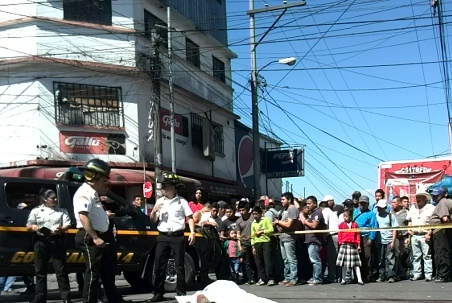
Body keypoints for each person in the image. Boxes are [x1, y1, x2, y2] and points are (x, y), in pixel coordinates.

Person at [73, 159, 129, 303]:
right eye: (104, 180)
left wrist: (105, 216)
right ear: (95, 178)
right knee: (93, 274)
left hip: (102, 236)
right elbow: (83, 215)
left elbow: (93, 214)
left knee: (108, 272)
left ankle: (115, 300)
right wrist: (95, 237)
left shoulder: (93, 193)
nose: (106, 184)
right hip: (91, 237)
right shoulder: (84, 193)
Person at [148, 172, 196, 302]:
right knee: (159, 265)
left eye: (165, 185)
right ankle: (158, 293)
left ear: (173, 187)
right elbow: (153, 220)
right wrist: (154, 211)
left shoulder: (182, 201)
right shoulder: (160, 201)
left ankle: (181, 292)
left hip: (177, 236)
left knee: (179, 265)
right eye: (162, 185)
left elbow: (190, 218)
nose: (162, 188)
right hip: (163, 236)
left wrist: (192, 232)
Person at [26, 188, 72, 303]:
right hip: (41, 241)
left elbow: (67, 224)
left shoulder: (61, 210)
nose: (55, 199)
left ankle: (66, 298)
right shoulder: (36, 211)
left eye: (55, 197)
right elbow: (29, 225)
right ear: (45, 199)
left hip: (56, 240)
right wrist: (34, 227)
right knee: (40, 271)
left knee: (61, 271)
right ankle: (40, 298)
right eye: (52, 198)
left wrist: (60, 229)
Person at [407, 189, 435, 281]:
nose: (418, 199)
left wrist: (429, 233)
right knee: (416, 256)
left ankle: (428, 274)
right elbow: (409, 220)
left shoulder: (431, 208)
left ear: (425, 198)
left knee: (427, 255)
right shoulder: (413, 207)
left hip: (425, 234)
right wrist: (409, 229)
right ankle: (417, 273)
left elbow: (433, 222)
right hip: (415, 235)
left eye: (420, 197)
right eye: (417, 197)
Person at [274, 192, 299, 287]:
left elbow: (288, 224)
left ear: (289, 199)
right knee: (285, 260)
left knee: (291, 259)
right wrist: (278, 223)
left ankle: (294, 279)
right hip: (282, 237)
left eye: (283, 199)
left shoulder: (293, 209)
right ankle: (287, 277)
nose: (281, 201)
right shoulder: (284, 210)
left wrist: (278, 222)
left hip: (289, 238)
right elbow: (280, 222)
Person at [428, 187, 452, 282]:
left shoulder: (442, 202)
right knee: (444, 251)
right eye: (433, 195)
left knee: (441, 252)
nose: (434, 197)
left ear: (444, 194)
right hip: (441, 230)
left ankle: (444, 275)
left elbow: (444, 218)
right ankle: (446, 274)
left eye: (436, 195)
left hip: (440, 230)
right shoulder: (446, 202)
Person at [301, 195, 326, 285]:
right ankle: (315, 276)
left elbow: (314, 226)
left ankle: (318, 278)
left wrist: (305, 221)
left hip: (314, 240)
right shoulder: (312, 213)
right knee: (312, 260)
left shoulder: (317, 213)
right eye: (306, 204)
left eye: (309, 203)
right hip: (309, 239)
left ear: (315, 204)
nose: (307, 205)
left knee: (315, 260)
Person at [353, 195, 377, 282]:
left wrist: (371, 238)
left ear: (367, 204)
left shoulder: (371, 214)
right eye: (361, 203)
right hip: (356, 237)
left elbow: (374, 227)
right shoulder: (355, 212)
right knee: (357, 257)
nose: (362, 205)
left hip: (366, 237)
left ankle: (367, 275)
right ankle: (357, 276)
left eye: (364, 203)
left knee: (367, 256)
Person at [337, 209, 364, 285]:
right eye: (344, 216)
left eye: (346, 216)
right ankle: (343, 279)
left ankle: (359, 279)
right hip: (344, 245)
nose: (345, 218)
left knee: (356, 264)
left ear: (350, 217)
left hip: (353, 245)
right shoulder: (341, 225)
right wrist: (340, 242)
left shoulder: (355, 224)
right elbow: (340, 234)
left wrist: (358, 245)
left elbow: (358, 235)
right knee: (344, 264)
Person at [375, 199, 399, 283]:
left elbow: (394, 229)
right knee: (380, 259)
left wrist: (393, 241)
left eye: (380, 207)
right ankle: (381, 276)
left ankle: (391, 276)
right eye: (378, 207)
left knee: (390, 259)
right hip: (379, 241)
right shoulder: (376, 216)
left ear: (385, 207)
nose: (379, 209)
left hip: (389, 240)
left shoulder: (390, 216)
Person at [251, 206, 275, 286]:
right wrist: (253, 246)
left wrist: (262, 231)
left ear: (260, 213)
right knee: (259, 262)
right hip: (257, 243)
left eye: (256, 214)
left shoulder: (266, 220)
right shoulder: (253, 223)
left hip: (266, 242)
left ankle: (270, 278)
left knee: (267, 261)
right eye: (253, 214)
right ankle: (262, 278)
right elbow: (252, 236)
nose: (255, 216)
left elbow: (271, 229)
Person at [236, 199, 257, 285]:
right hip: (244, 242)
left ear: (248, 210)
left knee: (256, 260)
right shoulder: (238, 221)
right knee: (247, 262)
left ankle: (259, 277)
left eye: (243, 210)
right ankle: (250, 279)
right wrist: (239, 245)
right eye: (240, 210)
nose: (241, 212)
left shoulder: (253, 217)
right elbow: (238, 234)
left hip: (255, 242)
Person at [319, 200, 340, 283]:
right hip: (337, 235)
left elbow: (324, 225)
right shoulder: (332, 213)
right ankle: (338, 275)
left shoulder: (325, 212)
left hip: (332, 235)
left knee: (332, 258)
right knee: (337, 257)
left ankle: (332, 276)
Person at [390, 196, 409, 280]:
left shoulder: (406, 213)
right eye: (392, 202)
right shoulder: (391, 213)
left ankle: (403, 273)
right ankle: (395, 273)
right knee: (395, 254)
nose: (393, 204)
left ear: (399, 203)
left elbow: (409, 224)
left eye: (394, 202)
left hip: (403, 236)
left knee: (403, 254)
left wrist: (408, 237)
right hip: (394, 236)